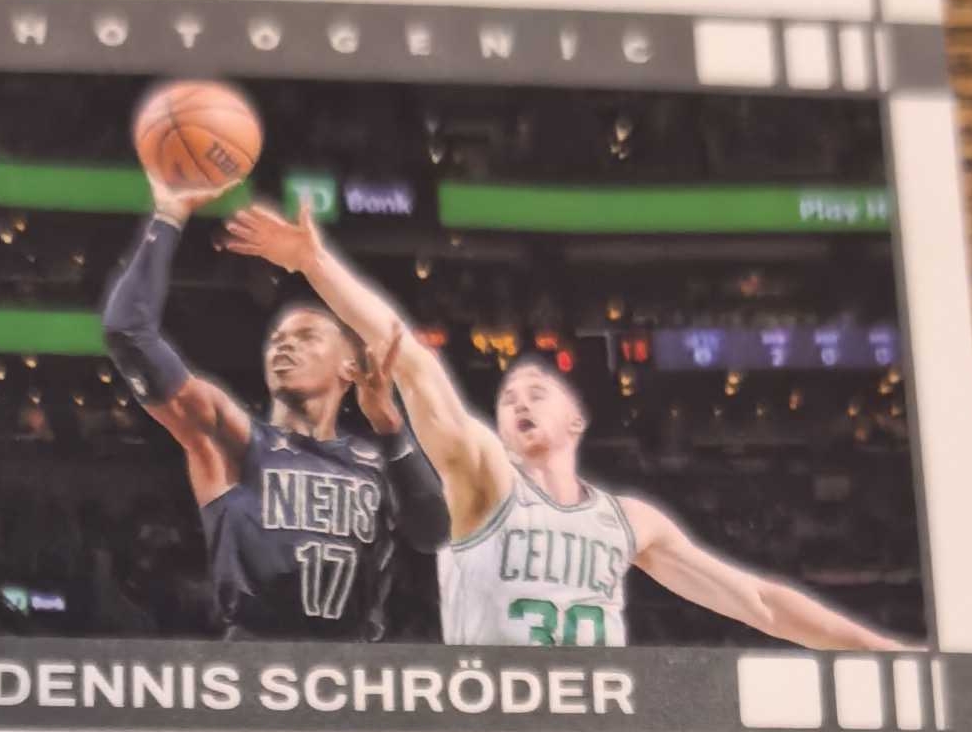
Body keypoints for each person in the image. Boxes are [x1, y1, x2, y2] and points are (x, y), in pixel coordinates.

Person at [223, 202, 902, 651]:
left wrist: (880, 651)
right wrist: (315, 263)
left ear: (575, 417)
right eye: (507, 398)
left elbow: (761, 603)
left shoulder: (630, 520)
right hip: (495, 731)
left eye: (536, 392)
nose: (518, 402)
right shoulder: (484, 477)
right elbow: (414, 361)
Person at [99, 169, 449, 639]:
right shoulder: (235, 441)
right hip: (254, 667)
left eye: (306, 336)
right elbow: (127, 331)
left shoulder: (377, 460)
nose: (284, 345)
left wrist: (390, 427)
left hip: (349, 672)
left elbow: (432, 532)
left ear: (350, 367)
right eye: (277, 339)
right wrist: (169, 215)